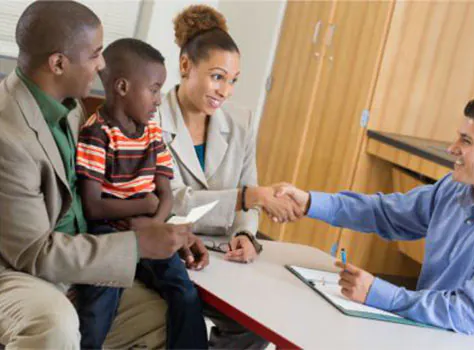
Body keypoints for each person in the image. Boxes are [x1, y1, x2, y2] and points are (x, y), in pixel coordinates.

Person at [0, 2, 208, 348]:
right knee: (56, 324)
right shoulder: (8, 136)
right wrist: (139, 244)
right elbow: (34, 254)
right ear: (58, 63)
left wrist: (165, 230)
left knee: (169, 320)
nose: (101, 65)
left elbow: (100, 193)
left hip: (77, 253)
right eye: (95, 54)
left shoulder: (69, 106)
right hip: (17, 270)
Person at [273, 94, 474, 349]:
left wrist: (379, 294)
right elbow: (385, 213)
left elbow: (466, 314)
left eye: (466, 141)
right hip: (430, 333)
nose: (452, 148)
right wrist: (310, 202)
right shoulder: (455, 190)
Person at [156, 5, 300, 348]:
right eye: (217, 77)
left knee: (257, 324)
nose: (226, 91)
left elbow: (248, 193)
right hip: (173, 251)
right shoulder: (153, 117)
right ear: (186, 66)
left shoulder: (242, 122)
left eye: (233, 81)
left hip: (223, 259)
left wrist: (246, 236)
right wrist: (247, 196)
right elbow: (174, 201)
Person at [75, 38, 207, 349]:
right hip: (109, 234)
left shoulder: (151, 132)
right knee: (99, 304)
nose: (159, 99)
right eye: (154, 89)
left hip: (152, 225)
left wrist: (156, 222)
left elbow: (165, 194)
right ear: (122, 88)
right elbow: (93, 206)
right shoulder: (97, 134)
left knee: (184, 292)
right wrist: (142, 207)